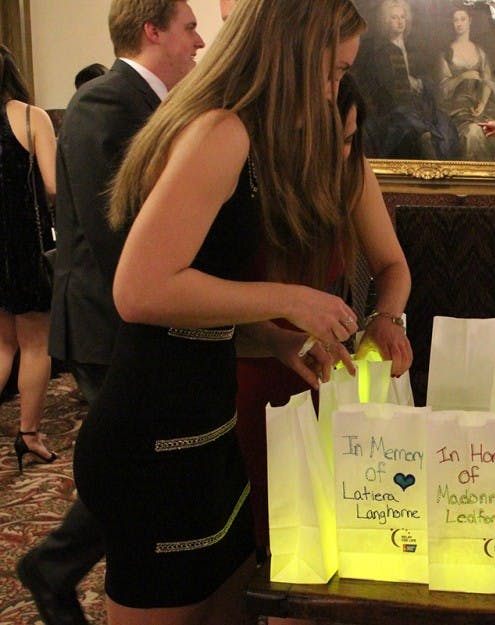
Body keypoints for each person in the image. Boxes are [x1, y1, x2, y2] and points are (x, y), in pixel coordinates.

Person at [72, 0, 404, 621]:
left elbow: (197, 307)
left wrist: (271, 340)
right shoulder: (222, 130)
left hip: (205, 427)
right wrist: (289, 299)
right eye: (332, 71)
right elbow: (139, 291)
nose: (336, 90)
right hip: (154, 438)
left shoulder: (246, 136)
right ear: (291, 51)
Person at [17, 3, 205, 624]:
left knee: (129, 463)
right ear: (153, 31)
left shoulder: (147, 104)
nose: (200, 41)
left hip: (130, 318)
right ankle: (56, 565)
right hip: (108, 323)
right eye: (188, 27)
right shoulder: (107, 102)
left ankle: (57, 565)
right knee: (128, 465)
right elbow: (116, 238)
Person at [235, 72, 413, 556]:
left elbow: (393, 265)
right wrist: (276, 333)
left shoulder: (351, 171)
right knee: (264, 533)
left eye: (350, 139)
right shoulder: (246, 176)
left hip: (324, 364)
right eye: (328, 141)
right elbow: (215, 301)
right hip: (248, 363)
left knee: (326, 527)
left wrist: (386, 317)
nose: (340, 154)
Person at [0, 44, 58, 471]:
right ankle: (28, 434)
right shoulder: (29, 117)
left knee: (1, 344)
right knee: (36, 345)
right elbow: (54, 186)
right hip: (25, 247)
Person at [357, 0, 458, 159]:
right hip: (391, 106)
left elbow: (429, 79)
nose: (399, 22)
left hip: (421, 104)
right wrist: (403, 82)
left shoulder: (414, 49)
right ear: (386, 21)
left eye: (402, 17)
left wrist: (419, 83)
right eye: (394, 18)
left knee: (446, 126)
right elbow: (378, 83)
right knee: (410, 126)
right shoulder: (378, 51)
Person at [436, 6, 495, 161]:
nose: (459, 24)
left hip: (483, 103)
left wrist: (482, 102)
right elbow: (443, 88)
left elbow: (489, 81)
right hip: (458, 106)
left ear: (470, 21)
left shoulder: (479, 51)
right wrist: (462, 77)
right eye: (456, 20)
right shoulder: (446, 54)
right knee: (474, 133)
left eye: (463, 19)